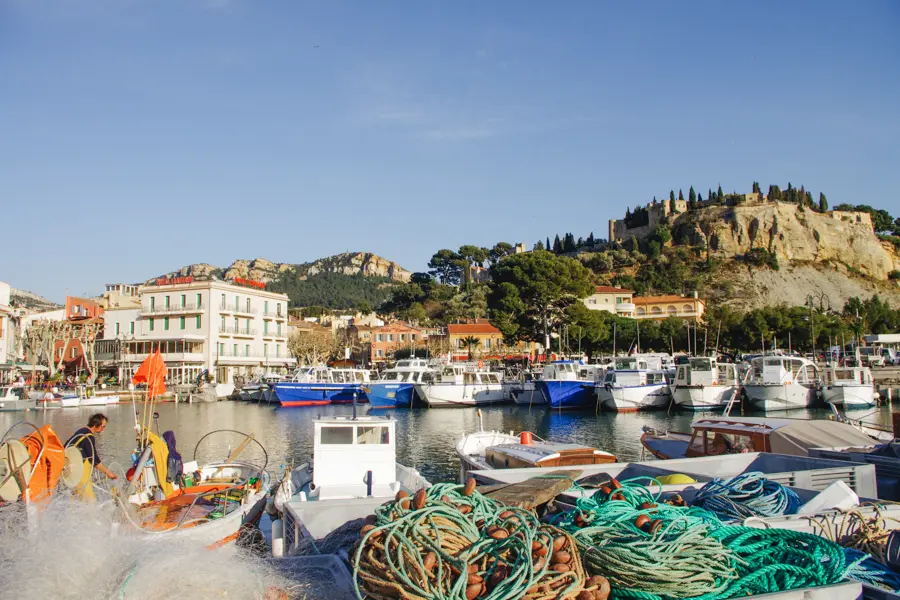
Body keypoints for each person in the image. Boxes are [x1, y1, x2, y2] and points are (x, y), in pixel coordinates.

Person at [67, 413, 118, 482]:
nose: (103, 429)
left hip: (69, 465)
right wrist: (108, 472)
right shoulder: (88, 437)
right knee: (87, 492)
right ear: (95, 425)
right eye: (103, 427)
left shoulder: (82, 430)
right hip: (76, 468)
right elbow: (94, 460)